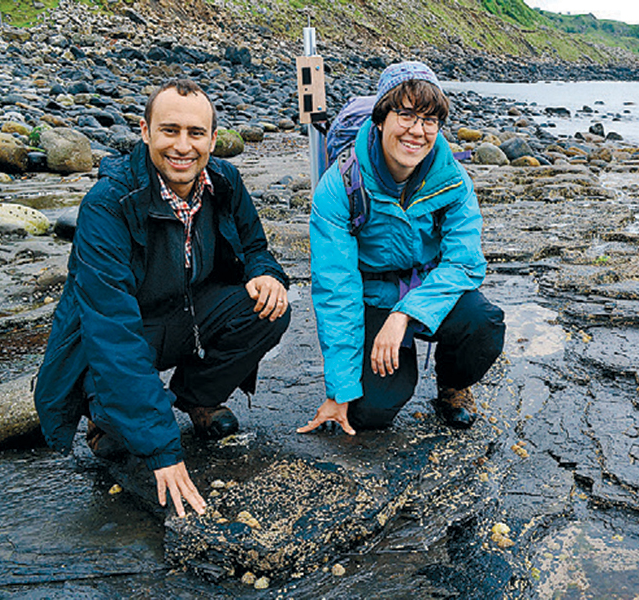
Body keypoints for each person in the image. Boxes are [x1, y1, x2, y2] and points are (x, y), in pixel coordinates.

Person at [33, 79, 291, 517]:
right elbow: (111, 333)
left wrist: (267, 275)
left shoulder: (224, 181)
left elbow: (254, 247)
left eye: (195, 133)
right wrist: (163, 451)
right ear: (145, 131)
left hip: (187, 312)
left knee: (267, 310)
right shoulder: (108, 205)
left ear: (213, 139)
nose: (182, 146)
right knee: (122, 430)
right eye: (169, 130)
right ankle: (103, 415)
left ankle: (197, 399)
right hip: (128, 328)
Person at [300, 61, 505, 437]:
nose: (417, 131)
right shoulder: (340, 186)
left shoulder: (453, 182)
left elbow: (465, 264)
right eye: (406, 114)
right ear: (380, 119)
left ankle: (453, 386)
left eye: (430, 120)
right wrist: (340, 391)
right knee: (368, 414)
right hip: (372, 296)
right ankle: (374, 379)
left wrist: (405, 316)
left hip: (431, 290)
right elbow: (336, 287)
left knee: (483, 322)